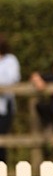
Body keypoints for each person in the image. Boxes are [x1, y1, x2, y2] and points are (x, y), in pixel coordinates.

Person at [0, 35, 20, 164]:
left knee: (2, 139)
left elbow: (12, 79)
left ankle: (2, 167)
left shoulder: (10, 60)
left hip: (5, 106)